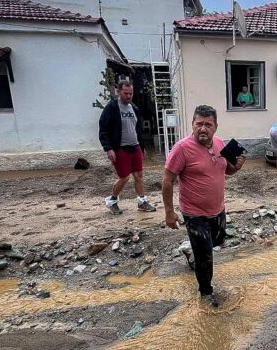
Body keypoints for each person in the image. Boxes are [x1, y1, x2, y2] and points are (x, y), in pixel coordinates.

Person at [162, 105, 245, 307]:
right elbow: (167, 180)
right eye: (199, 123)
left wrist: (237, 168)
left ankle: (191, 249)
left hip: (218, 208)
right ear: (192, 124)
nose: (203, 128)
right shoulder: (182, 149)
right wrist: (169, 212)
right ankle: (206, 293)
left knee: (217, 241)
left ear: (215, 126)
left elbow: (226, 171)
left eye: (208, 124)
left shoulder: (219, 144)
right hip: (194, 212)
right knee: (205, 256)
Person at [98, 80, 156, 215]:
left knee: (139, 175)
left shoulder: (134, 108)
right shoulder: (111, 108)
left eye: (131, 93)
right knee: (124, 177)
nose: (129, 96)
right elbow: (103, 129)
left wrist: (142, 147)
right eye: (126, 93)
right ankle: (112, 201)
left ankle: (142, 202)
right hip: (120, 148)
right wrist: (108, 148)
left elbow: (137, 130)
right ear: (118, 92)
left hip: (135, 147)